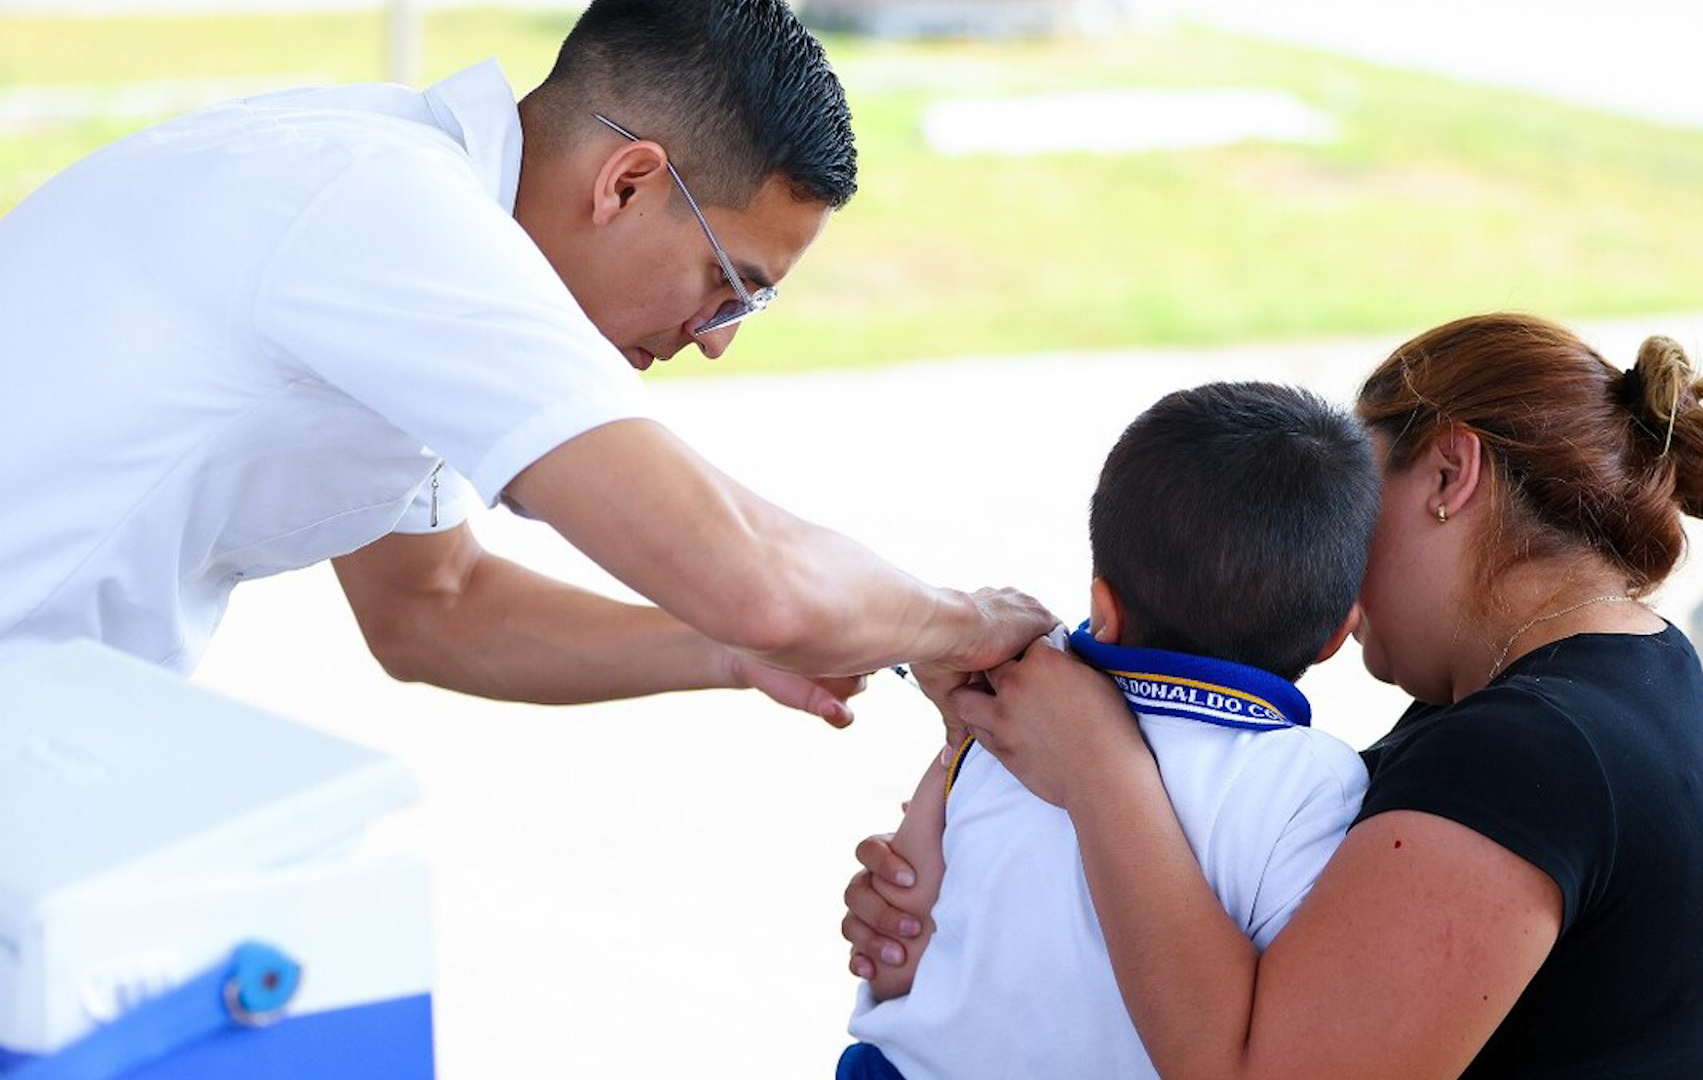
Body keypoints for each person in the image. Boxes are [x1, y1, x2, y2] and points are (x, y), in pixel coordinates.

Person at [0, 0, 1051, 715]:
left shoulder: (405, 196)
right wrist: (964, 623)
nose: (719, 339)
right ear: (629, 182)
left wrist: (736, 653)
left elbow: (435, 607)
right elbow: (758, 577)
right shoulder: (396, 215)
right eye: (725, 283)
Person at [845, 313, 1703, 1079]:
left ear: (1451, 476)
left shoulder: (1538, 753)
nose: (1330, 571)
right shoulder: (1619, 678)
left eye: (1352, 515)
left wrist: (1096, 764)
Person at [837, 383, 1379, 1080]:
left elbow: (898, 931)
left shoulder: (1006, 713)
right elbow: (1284, 1011)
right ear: (1338, 634)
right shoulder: (1317, 786)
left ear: (1105, 606)